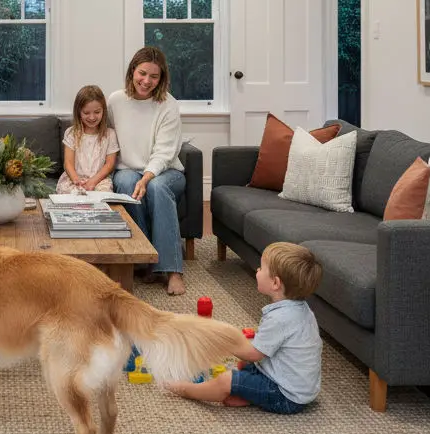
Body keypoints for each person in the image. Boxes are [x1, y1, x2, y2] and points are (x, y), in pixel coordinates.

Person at [165, 242, 323, 414]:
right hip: (297, 386)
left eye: (262, 269)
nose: (257, 271)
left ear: (275, 283)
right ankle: (248, 395)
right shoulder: (299, 309)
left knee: (227, 380)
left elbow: (253, 354)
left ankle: (186, 390)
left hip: (286, 396)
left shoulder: (280, 318)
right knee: (243, 365)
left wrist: (225, 341)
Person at [107, 46, 187, 295]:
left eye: (154, 76)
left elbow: (165, 152)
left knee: (156, 187)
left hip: (166, 172)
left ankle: (173, 270)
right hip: (128, 169)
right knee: (127, 181)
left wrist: (149, 176)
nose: (147, 81)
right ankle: (145, 261)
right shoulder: (116, 101)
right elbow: (106, 138)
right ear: (132, 71)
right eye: (142, 73)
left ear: (162, 78)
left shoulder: (168, 105)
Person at [57, 85, 120, 194]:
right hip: (74, 179)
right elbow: (68, 163)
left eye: (97, 112)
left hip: (99, 180)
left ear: (103, 111)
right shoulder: (72, 133)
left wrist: (93, 181)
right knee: (70, 194)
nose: (92, 117)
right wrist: (76, 180)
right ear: (78, 112)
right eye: (86, 113)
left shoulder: (110, 134)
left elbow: (110, 164)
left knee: (103, 194)